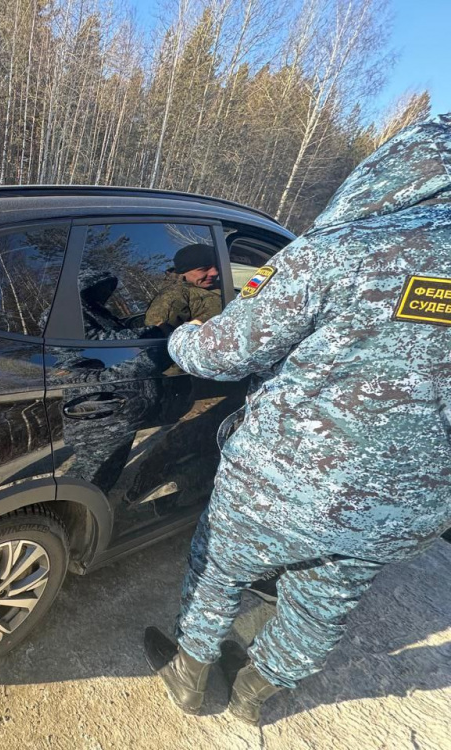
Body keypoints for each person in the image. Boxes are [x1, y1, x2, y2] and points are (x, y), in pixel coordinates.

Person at [142, 113, 451, 725]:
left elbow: (228, 353)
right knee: (323, 601)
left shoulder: (340, 251)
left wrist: (179, 340)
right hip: (407, 506)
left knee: (221, 568)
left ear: (396, 169)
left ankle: (192, 676)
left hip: (288, 481)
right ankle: (258, 694)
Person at [144, 243, 223, 331]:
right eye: (203, 269)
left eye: (216, 267)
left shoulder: (225, 284)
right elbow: (159, 335)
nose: (214, 273)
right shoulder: (175, 294)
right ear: (183, 271)